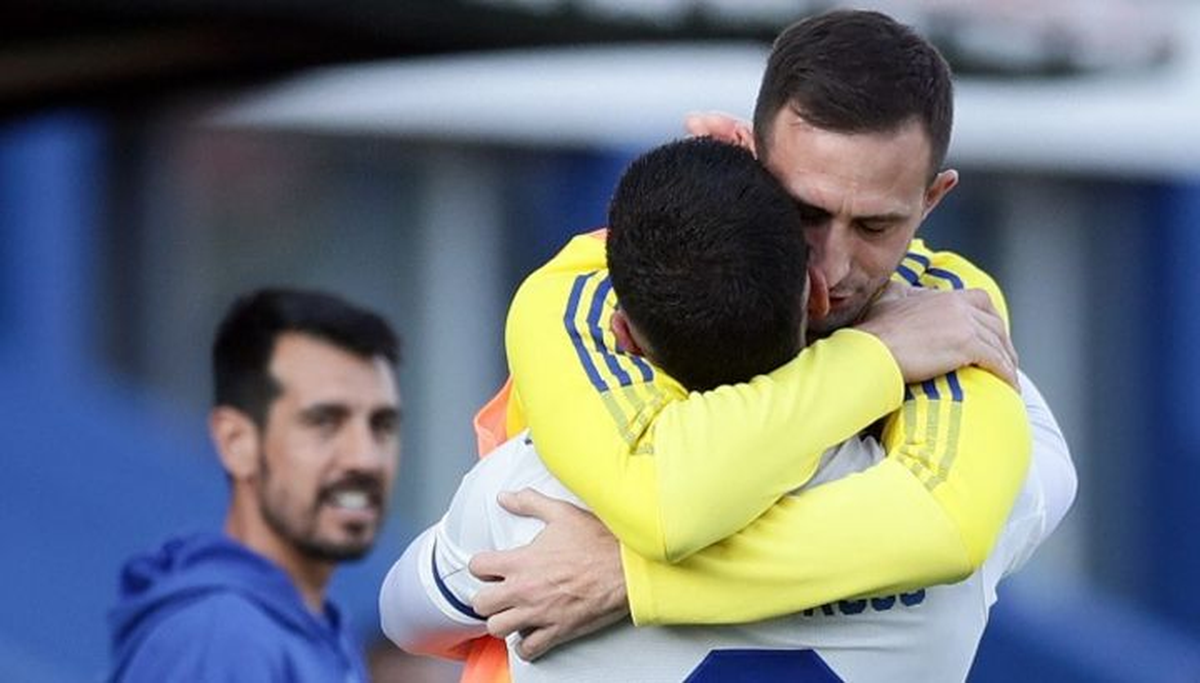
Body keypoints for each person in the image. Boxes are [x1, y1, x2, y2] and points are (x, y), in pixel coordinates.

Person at [430, 9, 1064, 682]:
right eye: (807, 213)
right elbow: (662, 500)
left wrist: (630, 578)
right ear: (739, 153)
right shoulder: (588, 286)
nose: (834, 269)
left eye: (876, 225)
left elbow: (945, 525)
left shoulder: (953, 307)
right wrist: (874, 357)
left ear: (932, 200)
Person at [107, 288, 402, 682]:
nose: (364, 457)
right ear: (236, 442)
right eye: (325, 422)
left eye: (381, 425)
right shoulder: (222, 638)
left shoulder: (319, 632)